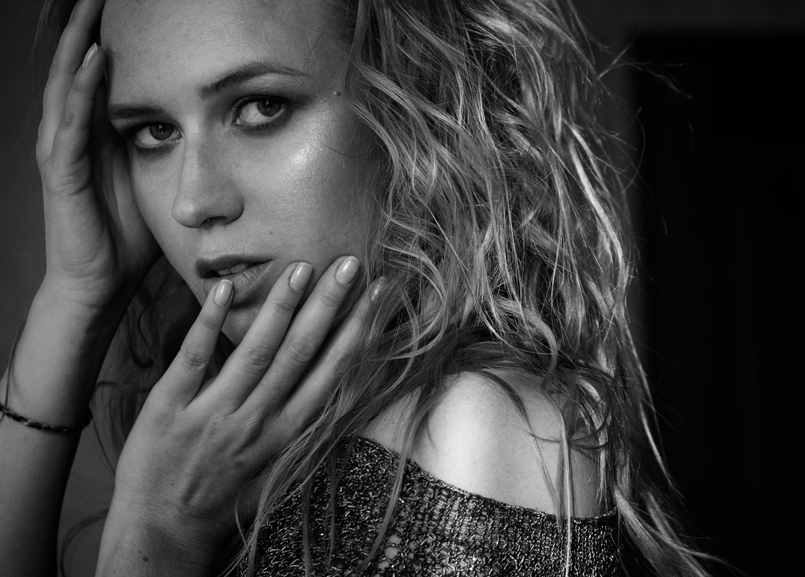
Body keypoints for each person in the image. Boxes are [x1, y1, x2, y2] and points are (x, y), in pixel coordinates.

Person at [0, 0, 708, 575]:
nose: (193, 202)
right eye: (154, 131)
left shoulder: (473, 427)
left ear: (408, 98)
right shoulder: (245, 442)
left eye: (260, 107)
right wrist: (77, 298)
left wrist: (157, 534)